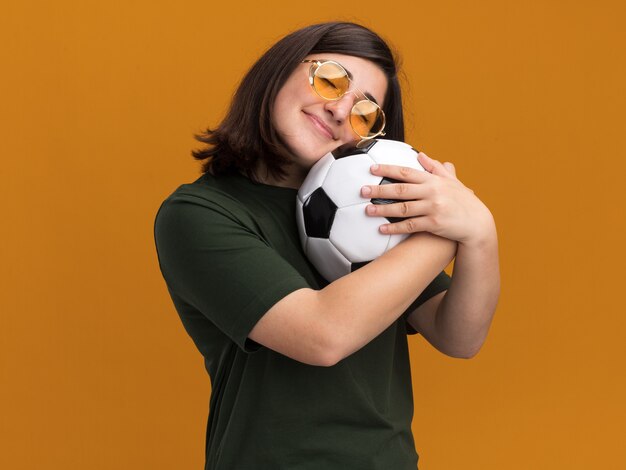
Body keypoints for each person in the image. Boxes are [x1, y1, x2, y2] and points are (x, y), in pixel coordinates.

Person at [154, 21, 500, 470]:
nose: (340, 111)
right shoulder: (199, 214)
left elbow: (458, 336)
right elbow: (322, 336)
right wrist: (450, 227)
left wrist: (481, 236)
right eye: (331, 79)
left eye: (365, 112)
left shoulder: (374, 206)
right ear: (277, 71)